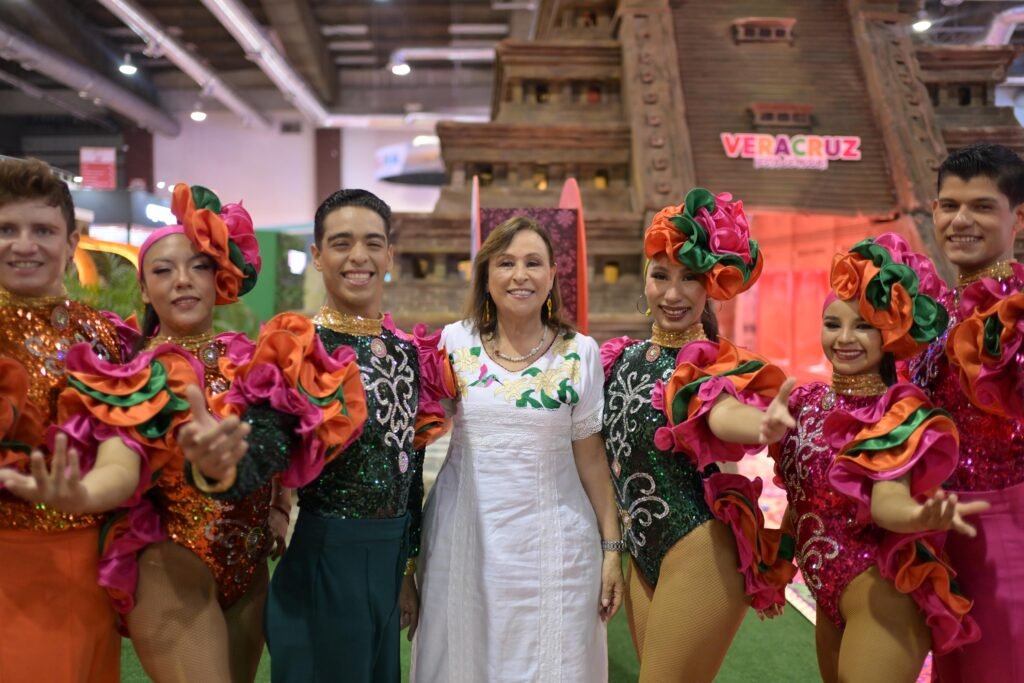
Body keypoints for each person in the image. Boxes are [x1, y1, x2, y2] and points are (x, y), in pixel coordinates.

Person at [24, 182, 358, 683]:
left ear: (218, 276)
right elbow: (118, 462)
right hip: (169, 561)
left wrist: (278, 506)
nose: (182, 281)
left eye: (198, 266)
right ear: (144, 289)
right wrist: (84, 495)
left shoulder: (256, 358)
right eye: (163, 270)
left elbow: (279, 442)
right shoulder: (129, 373)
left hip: (249, 567)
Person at [184, 188, 454, 683]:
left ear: (390, 255)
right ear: (317, 255)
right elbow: (270, 436)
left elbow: (410, 465)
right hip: (326, 558)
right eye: (341, 243)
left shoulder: (407, 352)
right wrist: (228, 463)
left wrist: (406, 569)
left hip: (388, 563)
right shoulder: (301, 347)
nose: (358, 256)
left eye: (373, 243)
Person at [756, 234, 982, 682]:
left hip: (882, 591)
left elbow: (887, 502)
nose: (844, 339)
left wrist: (919, 516)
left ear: (888, 333)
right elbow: (801, 502)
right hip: (824, 593)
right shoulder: (803, 403)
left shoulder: (897, 411)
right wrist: (776, 562)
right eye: (832, 323)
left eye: (862, 326)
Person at [410, 215, 624, 683]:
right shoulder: (453, 344)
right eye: (505, 263)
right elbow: (417, 436)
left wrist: (612, 549)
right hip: (462, 542)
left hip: (558, 551)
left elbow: (592, 461)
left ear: (552, 275)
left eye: (533, 263)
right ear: (486, 275)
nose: (519, 275)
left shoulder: (580, 353)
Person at [600, 188, 796, 682]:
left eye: (689, 278)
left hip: (699, 544)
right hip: (640, 551)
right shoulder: (618, 359)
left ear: (711, 285)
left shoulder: (707, 364)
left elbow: (718, 412)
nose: (672, 294)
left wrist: (760, 424)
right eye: (660, 275)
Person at [0, 157, 125, 682]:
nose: (23, 245)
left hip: (88, 562)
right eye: (6, 229)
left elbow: (124, 444)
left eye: (43, 230)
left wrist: (86, 495)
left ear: (72, 242)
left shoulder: (105, 337)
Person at [906, 142, 1024, 682]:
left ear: (1018, 218)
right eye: (950, 206)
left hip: (1005, 534)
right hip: (934, 533)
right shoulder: (933, 311)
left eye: (982, 207)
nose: (961, 220)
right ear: (933, 211)